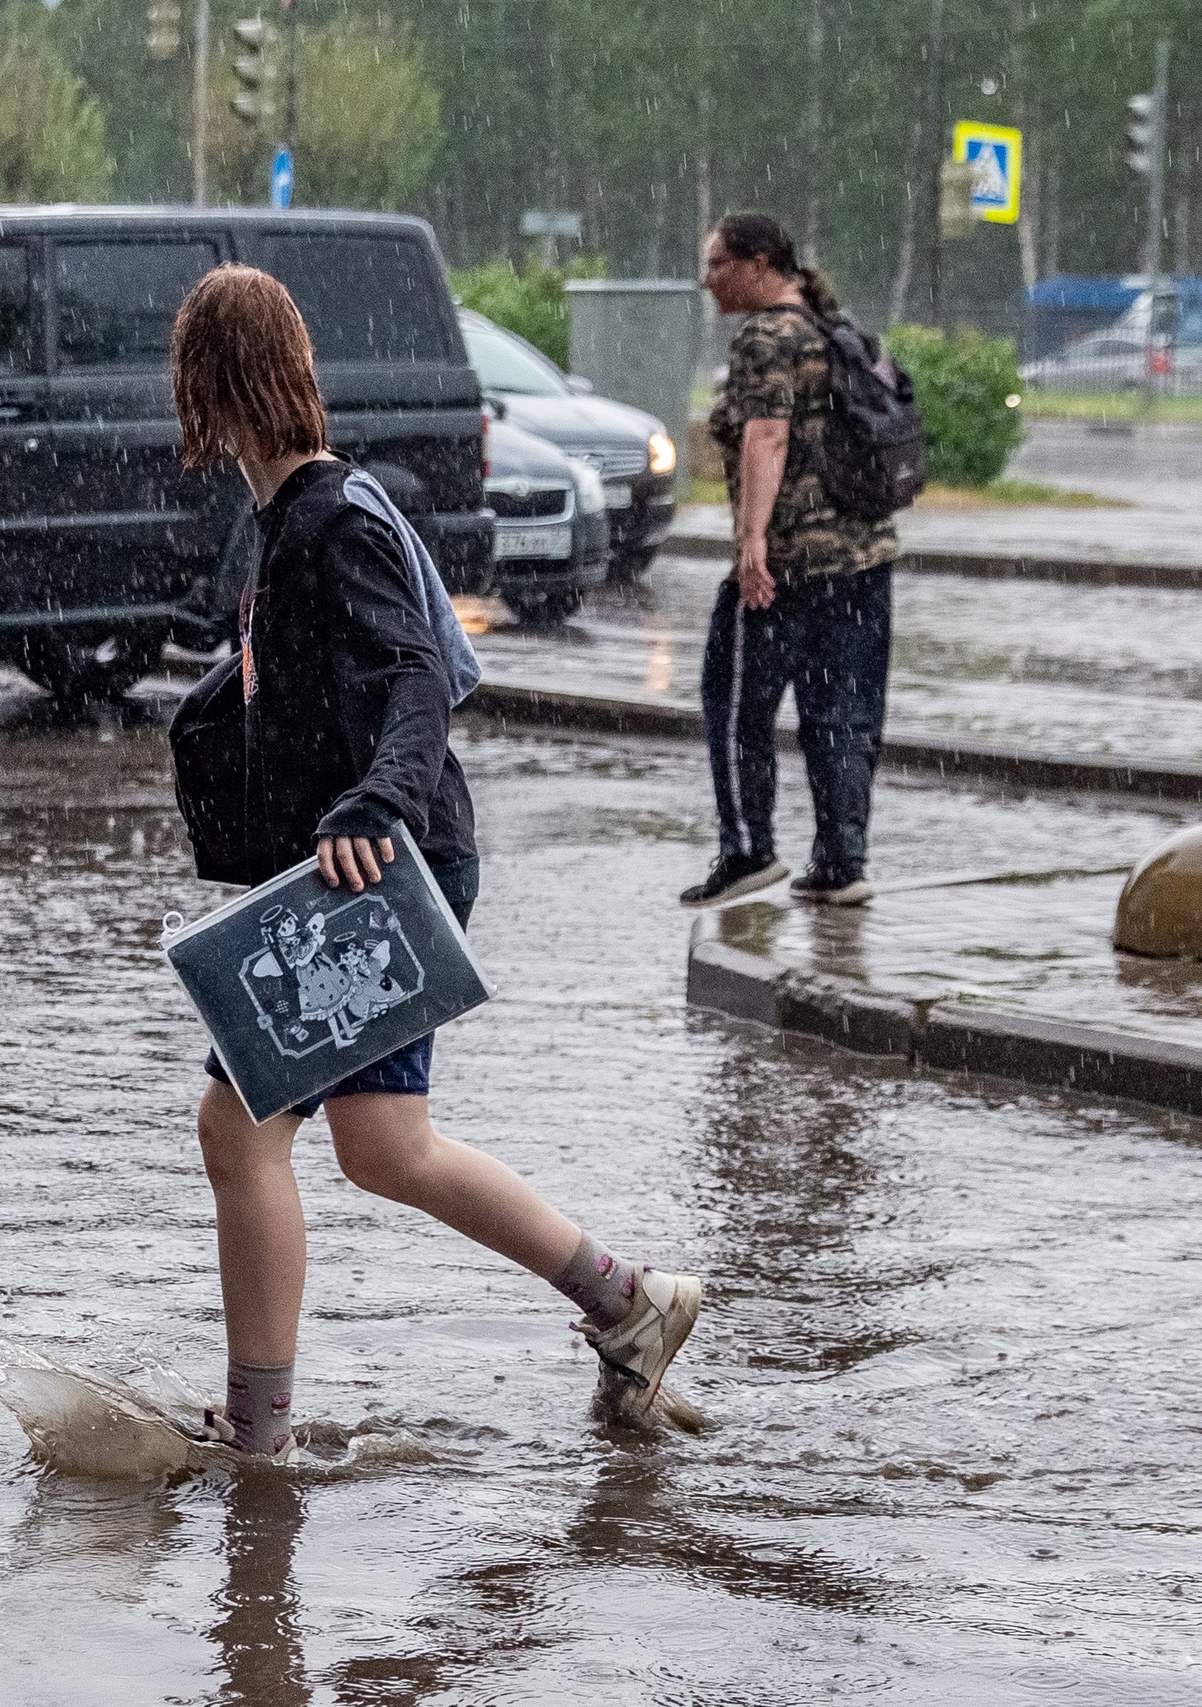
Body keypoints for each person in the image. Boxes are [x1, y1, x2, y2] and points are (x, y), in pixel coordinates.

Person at [166, 265, 703, 1458]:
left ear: (209, 385)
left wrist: (373, 800)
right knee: (380, 1148)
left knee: (239, 1128)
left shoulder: (333, 517)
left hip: (375, 869)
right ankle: (627, 1301)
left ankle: (256, 1433)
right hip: (347, 870)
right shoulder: (278, 523)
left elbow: (417, 672)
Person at [683, 211, 897, 909]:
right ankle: (842, 862)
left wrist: (752, 544)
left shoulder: (766, 336)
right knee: (843, 714)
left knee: (734, 700)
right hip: (863, 560)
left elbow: (766, 437)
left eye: (718, 264)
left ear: (759, 264)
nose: (708, 279)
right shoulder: (839, 330)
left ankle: (749, 849)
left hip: (788, 567)